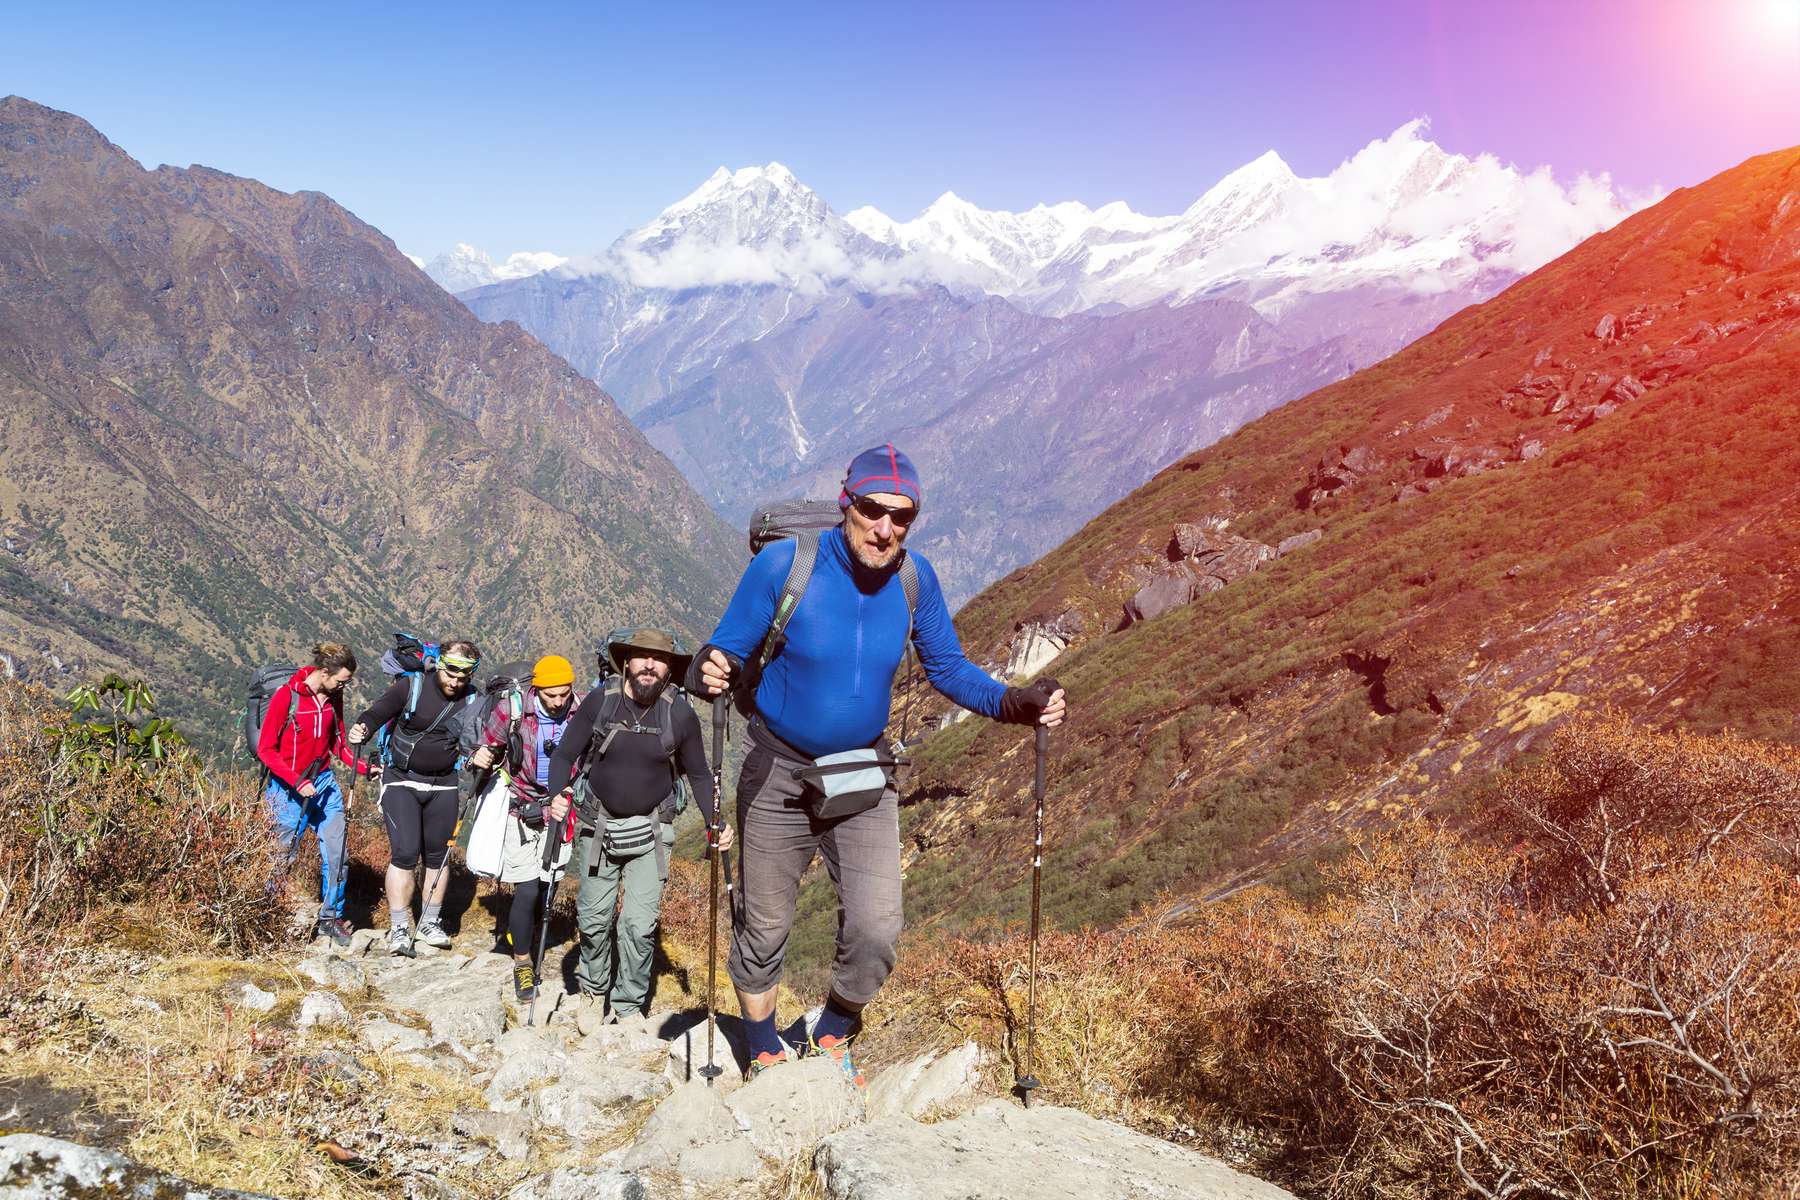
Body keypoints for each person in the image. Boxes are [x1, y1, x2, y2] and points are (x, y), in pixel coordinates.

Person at [686, 445, 1065, 1083]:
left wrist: (1011, 703)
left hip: (863, 772)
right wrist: (707, 670)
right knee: (764, 922)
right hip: (776, 769)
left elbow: (946, 668)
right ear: (847, 503)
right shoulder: (786, 565)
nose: (884, 528)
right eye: (871, 510)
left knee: (877, 927)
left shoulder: (916, 581)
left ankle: (832, 1031)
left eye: (901, 516)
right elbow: (725, 649)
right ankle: (763, 1044)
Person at [544, 628, 729, 1028]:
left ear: (668, 669)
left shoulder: (677, 714)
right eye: (642, 657)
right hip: (598, 827)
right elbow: (564, 754)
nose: (650, 664)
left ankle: (628, 1006)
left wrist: (716, 821)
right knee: (593, 919)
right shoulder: (601, 701)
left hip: (651, 833)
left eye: (659, 659)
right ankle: (593, 992)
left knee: (638, 926)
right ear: (626, 662)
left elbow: (698, 774)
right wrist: (557, 793)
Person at [349, 640, 482, 957]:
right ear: (439, 664)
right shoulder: (413, 686)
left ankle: (429, 923)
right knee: (405, 853)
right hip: (401, 780)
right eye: (450, 673)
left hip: (445, 784)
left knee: (438, 856)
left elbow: (482, 735)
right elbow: (377, 712)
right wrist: (362, 728)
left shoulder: (474, 699)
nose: (455, 682)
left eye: (462, 677)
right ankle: (398, 927)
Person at [467, 655, 584, 1002]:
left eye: (565, 694)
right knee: (529, 889)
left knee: (549, 888)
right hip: (520, 807)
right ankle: (522, 963)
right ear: (537, 689)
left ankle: (528, 938)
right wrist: (480, 757)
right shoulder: (512, 710)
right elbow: (486, 745)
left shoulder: (580, 711)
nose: (560, 702)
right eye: (552, 696)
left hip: (561, 807)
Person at [257, 642, 374, 947]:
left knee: (338, 854)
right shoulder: (288, 696)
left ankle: (330, 918)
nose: (343, 686)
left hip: (323, 786)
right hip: (287, 790)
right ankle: (268, 915)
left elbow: (339, 746)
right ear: (324, 672)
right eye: (341, 680)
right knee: (282, 858)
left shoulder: (335, 697)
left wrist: (365, 768)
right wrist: (296, 781)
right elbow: (266, 750)